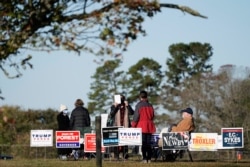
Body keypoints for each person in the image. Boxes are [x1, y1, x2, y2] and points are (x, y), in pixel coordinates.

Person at [131, 90, 156, 163]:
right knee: (149, 143)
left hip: (142, 125)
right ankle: (149, 158)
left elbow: (136, 117)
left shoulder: (139, 105)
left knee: (143, 143)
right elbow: (153, 116)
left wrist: (133, 126)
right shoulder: (150, 105)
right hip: (150, 125)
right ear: (146, 96)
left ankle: (145, 158)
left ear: (140, 97)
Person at [109, 94, 134, 160]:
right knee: (116, 141)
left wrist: (128, 106)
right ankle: (116, 156)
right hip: (116, 125)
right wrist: (116, 106)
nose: (121, 100)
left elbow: (132, 113)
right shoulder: (114, 106)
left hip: (125, 125)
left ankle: (125, 155)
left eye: (122, 98)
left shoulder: (126, 105)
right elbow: (111, 114)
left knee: (125, 141)